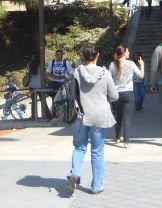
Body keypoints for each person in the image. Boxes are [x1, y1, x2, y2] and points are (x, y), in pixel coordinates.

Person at [65, 44, 118, 197]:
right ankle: (96, 186)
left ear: (82, 56)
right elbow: (114, 96)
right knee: (97, 152)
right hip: (99, 116)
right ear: (97, 55)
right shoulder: (105, 73)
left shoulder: (75, 73)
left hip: (80, 116)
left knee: (79, 148)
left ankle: (75, 173)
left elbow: (71, 93)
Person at [108, 45, 143, 147]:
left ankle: (118, 137)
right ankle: (126, 142)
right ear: (123, 53)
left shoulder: (112, 64)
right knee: (127, 118)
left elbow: (109, 80)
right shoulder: (131, 63)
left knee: (118, 116)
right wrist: (142, 65)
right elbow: (141, 76)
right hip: (128, 93)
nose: (129, 53)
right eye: (127, 51)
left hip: (116, 93)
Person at [27, 54, 52, 120]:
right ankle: (47, 115)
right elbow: (45, 76)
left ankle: (34, 116)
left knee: (34, 102)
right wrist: (48, 82)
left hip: (32, 85)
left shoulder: (30, 65)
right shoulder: (41, 66)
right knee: (43, 101)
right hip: (40, 86)